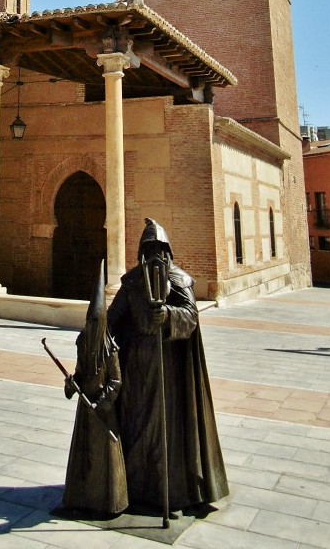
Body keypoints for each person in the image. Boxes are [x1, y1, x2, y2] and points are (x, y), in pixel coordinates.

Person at [107, 219, 228, 514]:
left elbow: (190, 314)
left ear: (168, 251)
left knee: (167, 429)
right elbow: (113, 318)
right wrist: (95, 335)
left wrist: (169, 315)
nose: (155, 255)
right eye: (149, 249)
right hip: (137, 364)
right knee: (136, 423)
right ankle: (136, 485)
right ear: (141, 252)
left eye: (159, 249)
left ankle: (169, 489)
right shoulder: (132, 282)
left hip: (169, 367)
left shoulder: (179, 280)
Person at [61, 261, 128, 517]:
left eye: (95, 320)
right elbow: (79, 373)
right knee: (84, 454)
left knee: (105, 457)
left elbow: (116, 381)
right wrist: (71, 385)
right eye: (89, 320)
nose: (91, 324)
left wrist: (101, 403)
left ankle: (110, 502)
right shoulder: (83, 343)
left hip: (102, 410)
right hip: (85, 409)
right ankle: (81, 498)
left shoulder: (110, 349)